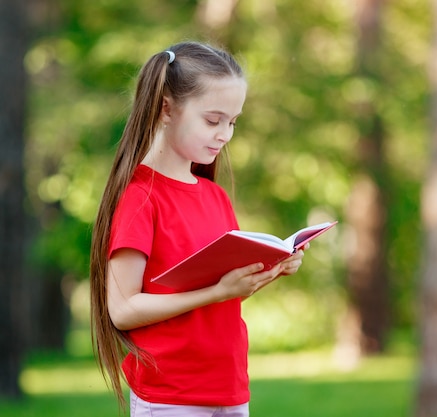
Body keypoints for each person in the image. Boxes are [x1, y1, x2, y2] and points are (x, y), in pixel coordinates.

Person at [90, 41, 307, 417]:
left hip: (229, 386)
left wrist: (269, 270)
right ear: (166, 109)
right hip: (171, 394)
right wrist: (216, 292)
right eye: (213, 120)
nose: (225, 134)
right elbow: (123, 309)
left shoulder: (215, 196)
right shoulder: (141, 197)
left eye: (233, 122)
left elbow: (220, 294)